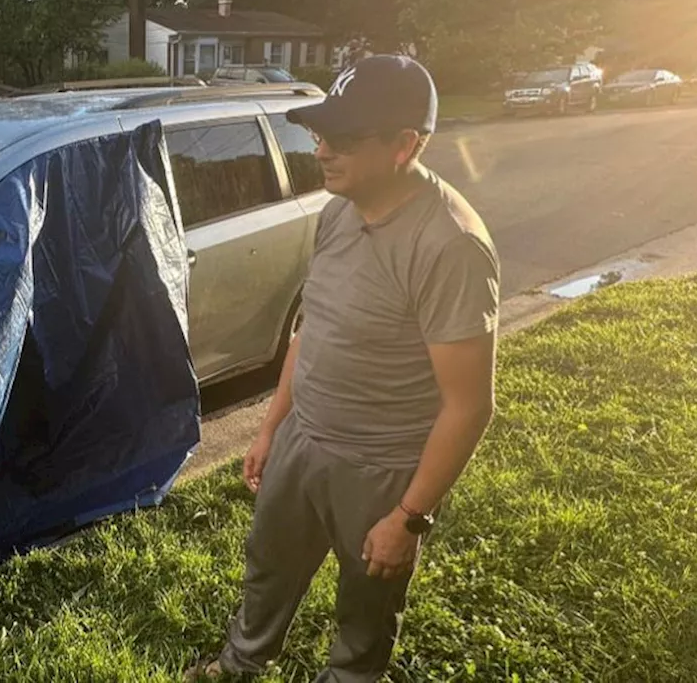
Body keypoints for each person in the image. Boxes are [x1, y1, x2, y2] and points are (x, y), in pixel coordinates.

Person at [184, 55, 500, 682]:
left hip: (381, 466)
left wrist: (408, 518)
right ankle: (241, 664)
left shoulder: (450, 244)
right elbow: (312, 328)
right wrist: (275, 427)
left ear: (405, 144)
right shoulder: (339, 209)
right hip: (306, 436)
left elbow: (470, 406)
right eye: (319, 133)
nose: (322, 150)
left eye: (345, 138)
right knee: (268, 564)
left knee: (365, 603)